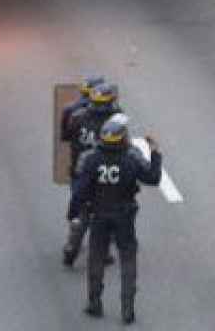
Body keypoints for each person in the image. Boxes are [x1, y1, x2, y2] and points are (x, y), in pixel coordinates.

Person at [73, 114, 162, 323]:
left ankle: (94, 302)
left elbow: (80, 190)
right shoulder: (131, 158)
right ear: (122, 138)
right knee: (128, 259)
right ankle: (127, 309)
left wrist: (73, 212)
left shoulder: (92, 158)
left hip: (99, 215)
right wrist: (156, 152)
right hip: (124, 215)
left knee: (96, 257)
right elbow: (153, 177)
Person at [62, 82, 122, 266]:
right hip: (107, 175)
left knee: (82, 210)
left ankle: (73, 245)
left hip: (80, 173)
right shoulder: (116, 122)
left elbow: (66, 136)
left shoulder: (77, 117)